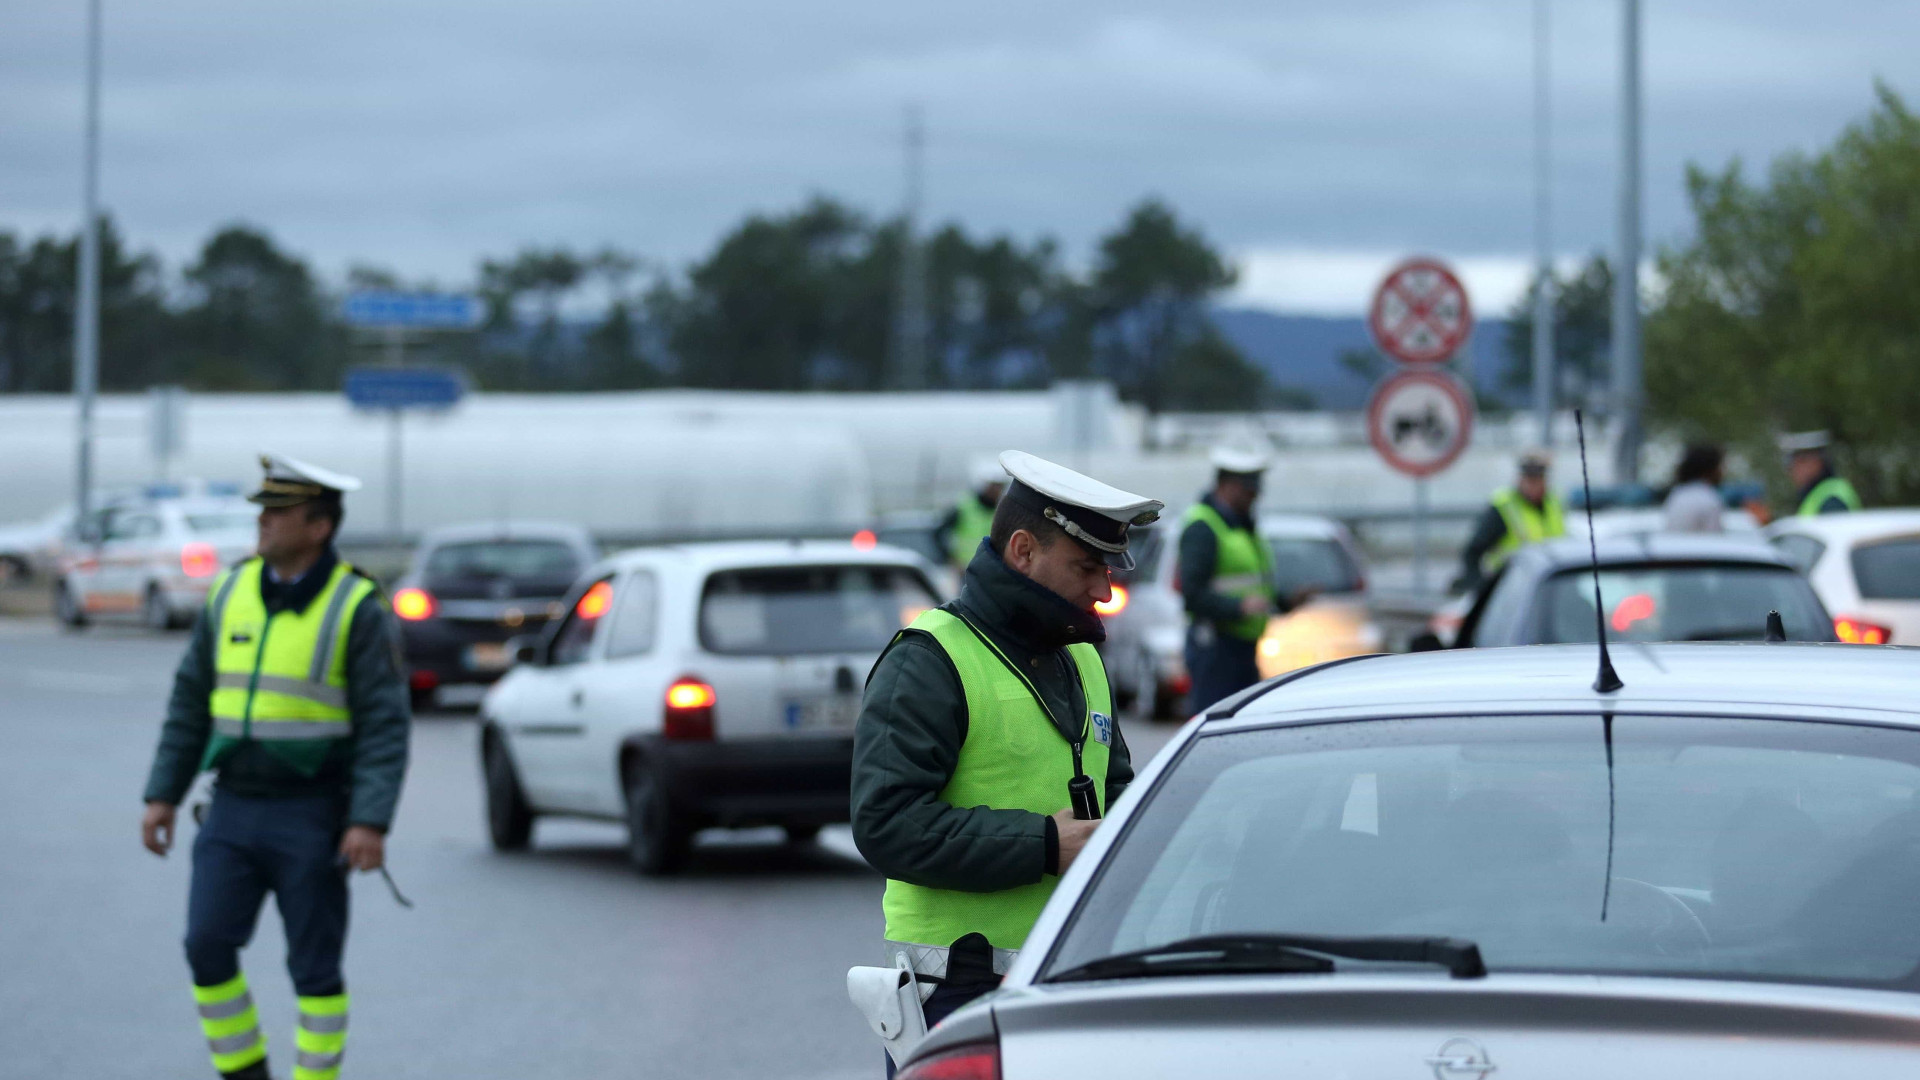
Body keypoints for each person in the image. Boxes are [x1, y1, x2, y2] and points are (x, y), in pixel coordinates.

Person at [851, 450, 1159, 1076]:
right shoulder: (930, 660)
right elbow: (886, 824)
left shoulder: (1084, 662)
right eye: (1087, 566)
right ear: (1023, 551)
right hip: (958, 999)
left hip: (1070, 980)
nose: (1105, 590)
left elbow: (1120, 799)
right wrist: (1046, 843)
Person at [140, 454, 410, 1080]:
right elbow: (189, 702)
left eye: (278, 512)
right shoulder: (230, 591)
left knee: (313, 970)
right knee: (205, 947)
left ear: (319, 527)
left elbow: (385, 726)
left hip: (313, 812)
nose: (262, 522)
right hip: (231, 805)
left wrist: (369, 820)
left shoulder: (357, 607)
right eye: (262, 510)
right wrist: (163, 795)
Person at [1178, 446, 1302, 713]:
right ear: (1228, 485)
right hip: (1216, 650)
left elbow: (1254, 586)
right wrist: (1238, 608)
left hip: (1243, 647)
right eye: (1249, 489)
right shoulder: (1204, 527)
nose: (1255, 495)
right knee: (1215, 725)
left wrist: (1284, 602)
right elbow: (1192, 594)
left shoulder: (1243, 526)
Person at [1457, 449, 1566, 592]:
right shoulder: (1504, 506)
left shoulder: (1554, 502)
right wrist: (1479, 589)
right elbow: (1473, 552)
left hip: (1549, 586)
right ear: (1520, 479)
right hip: (1510, 589)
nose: (1532, 485)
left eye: (1537, 479)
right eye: (1529, 479)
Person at [933, 459, 1006, 569]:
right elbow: (938, 533)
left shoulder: (1003, 509)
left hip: (993, 569)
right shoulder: (964, 507)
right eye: (994, 485)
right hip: (966, 569)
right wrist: (950, 559)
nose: (998, 490)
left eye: (1000, 486)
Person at [1780, 431, 1862, 516]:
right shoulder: (1818, 494)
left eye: (1799, 463)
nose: (1792, 471)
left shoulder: (1831, 498)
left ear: (1817, 463)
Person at [1663, 443, 1727, 533]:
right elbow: (1714, 539)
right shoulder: (1709, 499)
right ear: (1710, 468)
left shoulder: (1677, 494)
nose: (1722, 472)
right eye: (1720, 467)